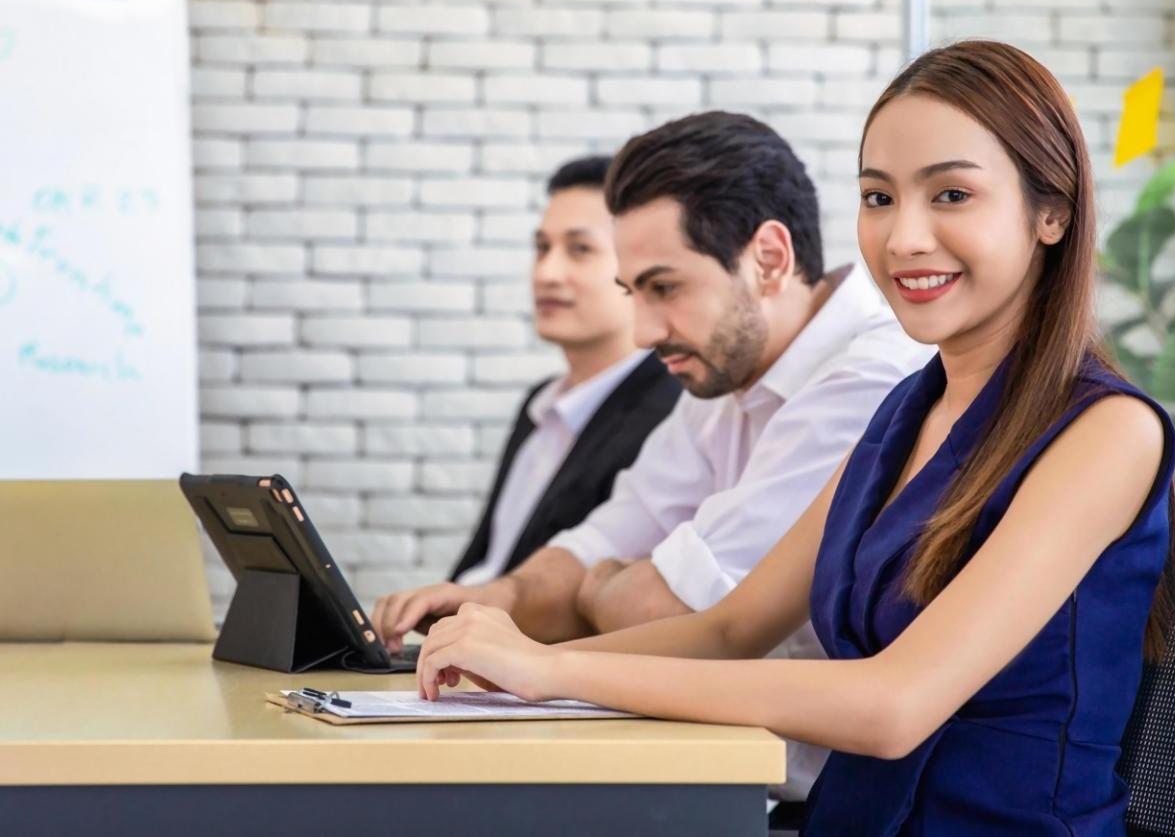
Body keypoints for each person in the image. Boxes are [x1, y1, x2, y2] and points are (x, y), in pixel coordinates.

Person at [412, 41, 1175, 836]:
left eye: (950, 194)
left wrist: (554, 669)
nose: (903, 237)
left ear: (1050, 212)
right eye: (878, 198)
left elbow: (893, 703)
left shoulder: (1104, 432)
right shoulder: (905, 414)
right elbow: (729, 628)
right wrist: (510, 670)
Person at [375, 111, 930, 800]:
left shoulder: (868, 379)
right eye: (631, 291)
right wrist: (492, 603)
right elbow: (605, 540)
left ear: (768, 258)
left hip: (819, 806)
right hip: (709, 773)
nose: (641, 330)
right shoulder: (718, 370)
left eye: (663, 288)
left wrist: (592, 596)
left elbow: (675, 616)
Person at [449, 156, 681, 586]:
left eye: (580, 249)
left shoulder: (672, 413)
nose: (547, 273)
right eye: (541, 248)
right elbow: (489, 566)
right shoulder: (540, 404)